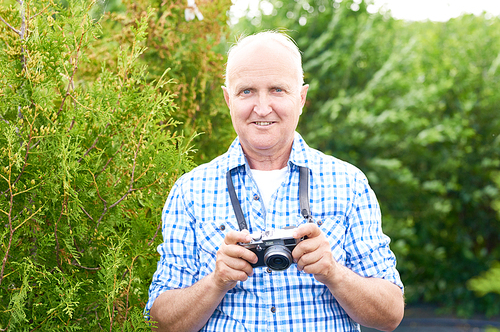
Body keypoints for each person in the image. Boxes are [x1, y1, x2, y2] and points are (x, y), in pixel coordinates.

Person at [145, 31, 404, 332]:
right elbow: (159, 322)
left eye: (278, 90)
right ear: (228, 99)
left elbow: (391, 313)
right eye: (247, 92)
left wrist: (334, 273)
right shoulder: (190, 192)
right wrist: (216, 282)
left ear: (302, 98)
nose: (263, 107)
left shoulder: (349, 184)